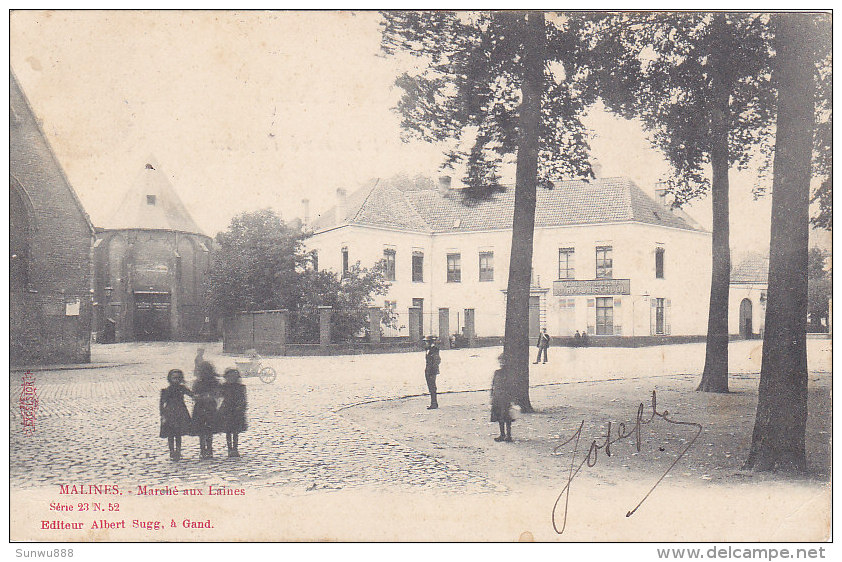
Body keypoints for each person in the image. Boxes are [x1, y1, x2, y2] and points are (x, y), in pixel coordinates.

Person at [159, 369, 193, 461]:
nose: (176, 380)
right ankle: (171, 451)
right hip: (170, 413)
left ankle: (178, 451)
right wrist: (162, 415)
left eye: (178, 378)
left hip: (180, 412)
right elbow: (162, 404)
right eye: (174, 378)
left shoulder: (182, 388)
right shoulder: (166, 390)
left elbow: (191, 394)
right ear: (170, 379)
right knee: (170, 434)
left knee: (178, 434)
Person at [192, 361, 221, 459]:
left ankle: (209, 449)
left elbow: (218, 393)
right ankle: (203, 449)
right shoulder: (197, 383)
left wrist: (211, 396)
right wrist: (199, 397)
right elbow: (194, 394)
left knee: (209, 430)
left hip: (210, 408)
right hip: (200, 408)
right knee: (201, 431)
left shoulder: (214, 382)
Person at [218, 368, 248, 458]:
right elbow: (219, 395)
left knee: (235, 431)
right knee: (228, 431)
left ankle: (235, 448)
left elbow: (243, 398)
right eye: (229, 377)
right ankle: (229, 448)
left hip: (237, 410)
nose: (231, 379)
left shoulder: (241, 387)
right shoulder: (224, 386)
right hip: (227, 410)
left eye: (233, 377)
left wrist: (242, 407)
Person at [490, 354, 513, 442]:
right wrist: (492, 396)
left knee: (507, 417)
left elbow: (512, 386)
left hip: (506, 398)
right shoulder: (497, 372)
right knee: (499, 416)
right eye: (500, 361)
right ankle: (502, 434)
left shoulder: (509, 373)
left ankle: (509, 435)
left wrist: (511, 398)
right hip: (497, 397)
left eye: (503, 361)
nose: (502, 363)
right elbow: (493, 385)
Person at [423, 336, 441, 409]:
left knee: (432, 387)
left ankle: (434, 403)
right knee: (430, 387)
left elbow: (438, 360)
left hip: (432, 371)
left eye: (426, 342)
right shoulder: (428, 349)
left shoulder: (434, 350)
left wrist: (432, 368)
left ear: (430, 342)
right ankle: (433, 403)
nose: (425, 343)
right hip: (428, 370)